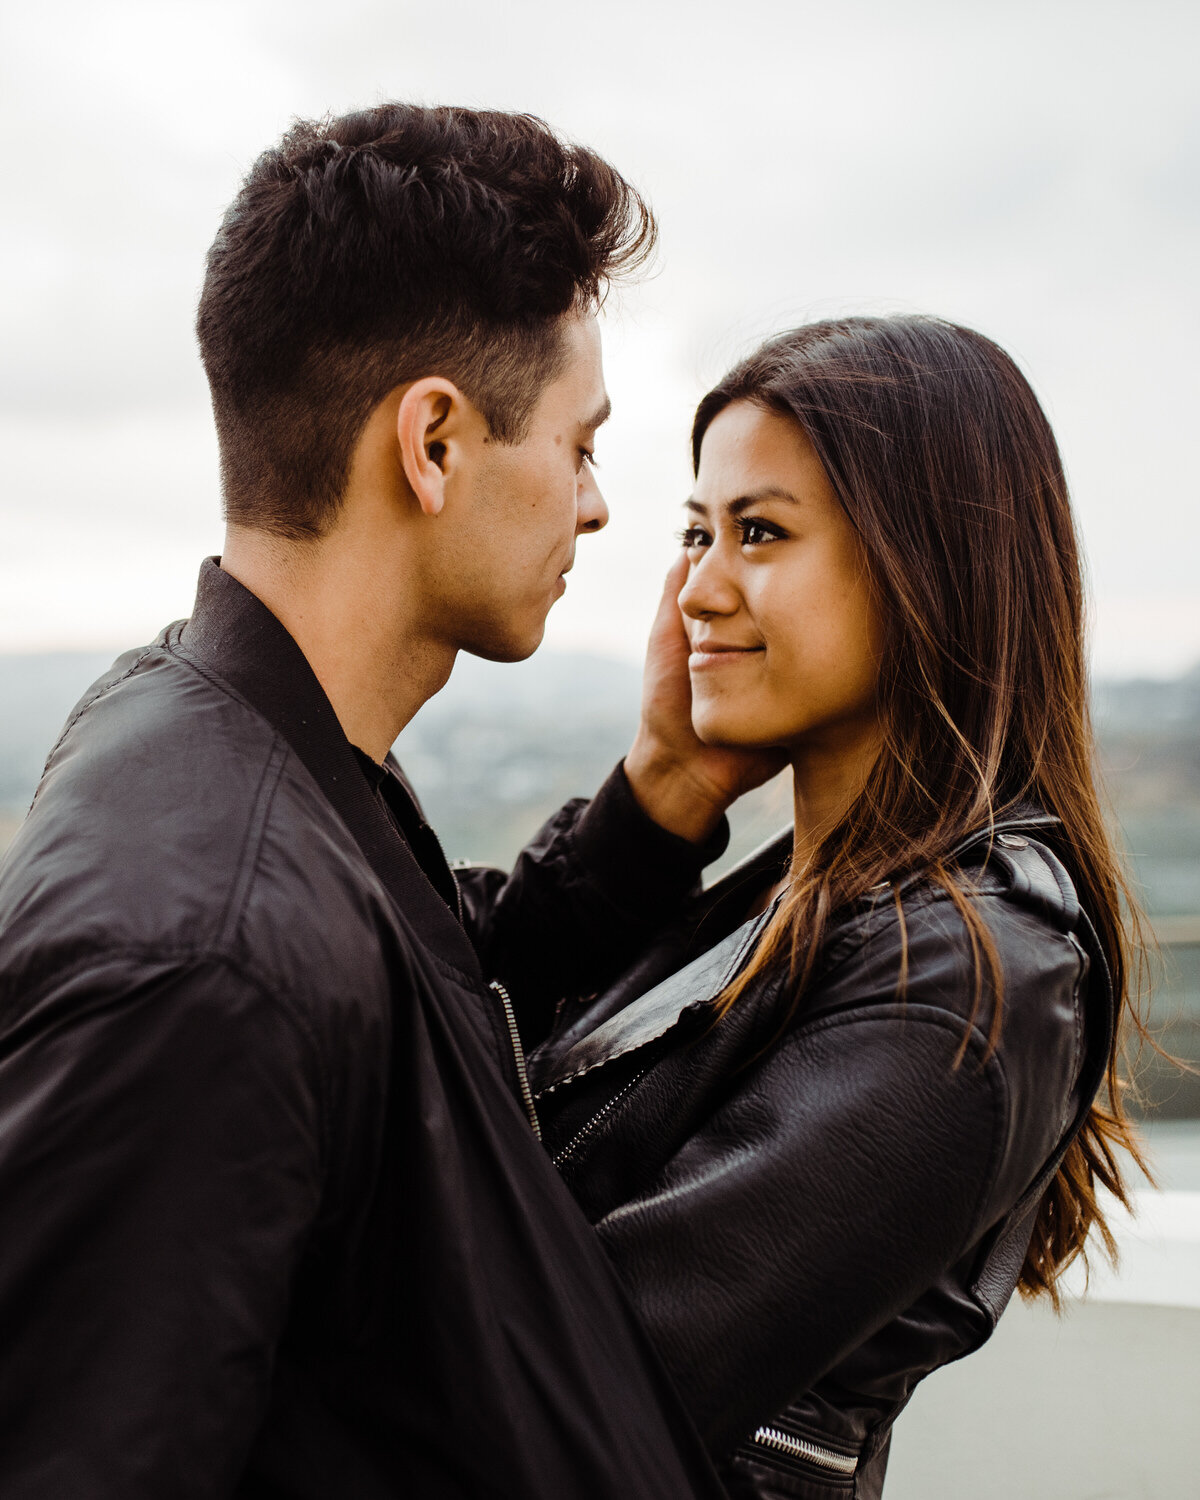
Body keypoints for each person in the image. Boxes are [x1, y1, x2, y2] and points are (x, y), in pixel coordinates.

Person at [0, 104, 731, 1500]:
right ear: (436, 444)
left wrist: (669, 794)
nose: (595, 506)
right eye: (580, 447)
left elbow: (408, 1001)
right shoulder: (205, 953)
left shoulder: (256, 750)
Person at [529, 316, 1151, 1499]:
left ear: (927, 565)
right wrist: (665, 785)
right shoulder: (809, 896)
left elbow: (574, 1395)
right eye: (696, 533)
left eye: (759, 534)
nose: (698, 591)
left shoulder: (976, 972)